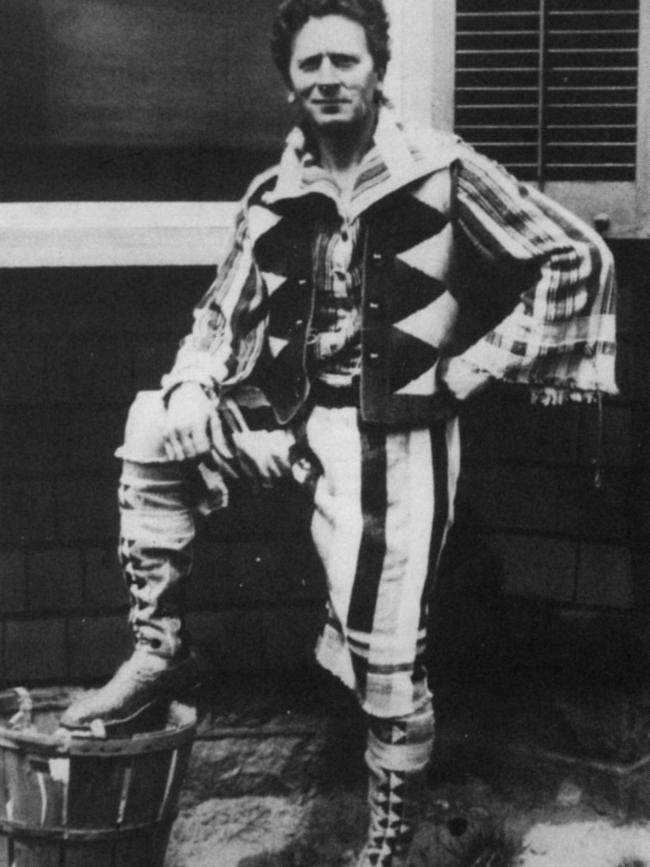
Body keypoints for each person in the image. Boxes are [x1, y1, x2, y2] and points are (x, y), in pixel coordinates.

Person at [62, 1, 618, 864]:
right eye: (309, 63)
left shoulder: (442, 170)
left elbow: (578, 255)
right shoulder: (274, 194)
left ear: (377, 69)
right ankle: (159, 648)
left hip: (396, 435)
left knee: (388, 658)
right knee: (155, 418)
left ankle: (387, 840)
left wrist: (476, 366)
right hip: (291, 425)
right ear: (290, 80)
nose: (326, 77)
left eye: (344, 61)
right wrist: (200, 384)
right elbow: (222, 316)